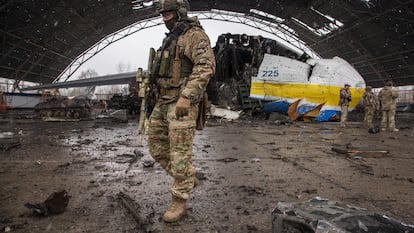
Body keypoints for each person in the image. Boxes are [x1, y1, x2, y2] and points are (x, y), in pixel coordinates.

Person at [147, 0, 216, 223]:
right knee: (156, 147)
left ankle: (180, 200)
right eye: (162, 14)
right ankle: (187, 177)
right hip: (163, 99)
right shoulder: (171, 39)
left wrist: (187, 96)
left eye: (168, 14)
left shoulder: (194, 35)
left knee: (180, 154)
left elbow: (205, 67)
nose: (164, 18)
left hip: (182, 102)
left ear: (180, 12)